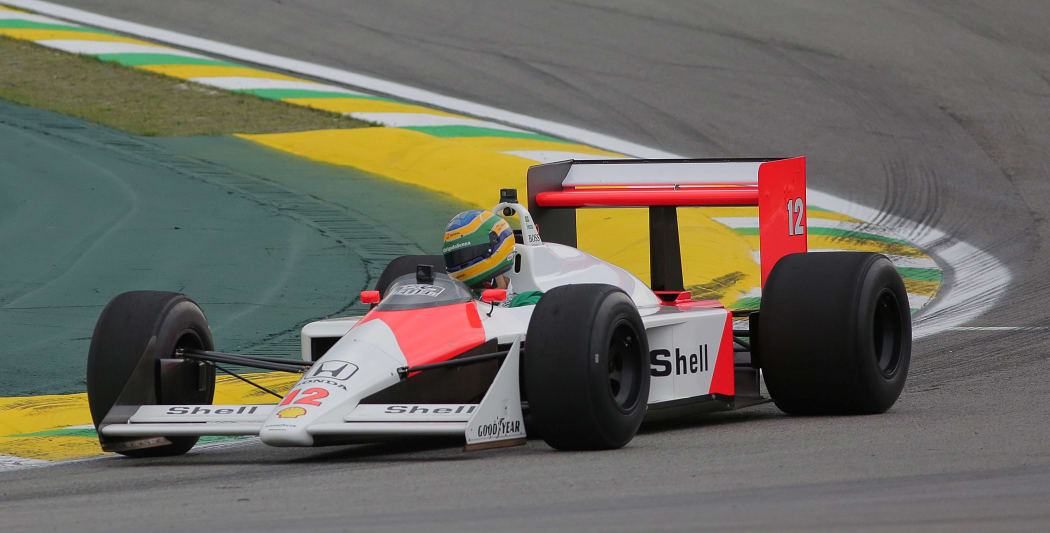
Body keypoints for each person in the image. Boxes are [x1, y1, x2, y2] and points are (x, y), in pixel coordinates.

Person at [442, 210, 542, 307]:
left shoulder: (529, 303)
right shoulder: (446, 298)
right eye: (454, 257)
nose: (460, 262)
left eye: (465, 254)